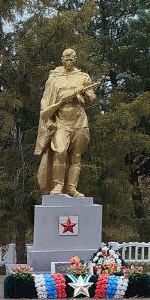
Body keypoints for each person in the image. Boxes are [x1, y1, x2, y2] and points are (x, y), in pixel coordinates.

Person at [33, 48, 97, 197]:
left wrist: (84, 92)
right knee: (60, 152)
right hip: (61, 121)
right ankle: (58, 185)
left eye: (71, 59)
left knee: (76, 156)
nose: (68, 62)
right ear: (62, 60)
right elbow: (45, 102)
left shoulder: (83, 76)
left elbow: (92, 98)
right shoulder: (54, 78)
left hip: (79, 122)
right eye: (66, 59)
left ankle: (71, 188)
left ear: (75, 60)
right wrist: (48, 120)